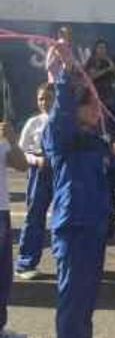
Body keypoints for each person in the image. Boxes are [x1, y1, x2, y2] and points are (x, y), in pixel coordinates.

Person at [44, 55, 115, 338]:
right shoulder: (61, 137)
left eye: (98, 105)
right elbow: (61, 113)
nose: (97, 109)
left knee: (88, 297)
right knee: (73, 298)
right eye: (90, 104)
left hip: (95, 227)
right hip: (74, 226)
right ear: (75, 108)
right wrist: (66, 75)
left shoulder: (96, 141)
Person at [14, 83, 55, 280]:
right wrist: (35, 160)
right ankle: (26, 263)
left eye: (49, 98)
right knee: (34, 216)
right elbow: (20, 152)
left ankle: (65, 259)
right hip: (39, 171)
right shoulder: (33, 122)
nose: (45, 102)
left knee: (63, 217)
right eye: (41, 98)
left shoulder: (66, 120)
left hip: (62, 171)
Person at [0, 117, 30, 337]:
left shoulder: (1, 138)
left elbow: (21, 165)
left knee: (3, 274)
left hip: (1, 211)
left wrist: (11, 139)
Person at [84, 39, 115, 116]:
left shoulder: (108, 61)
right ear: (96, 49)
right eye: (100, 48)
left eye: (104, 48)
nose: (102, 50)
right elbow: (92, 76)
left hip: (107, 97)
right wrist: (106, 70)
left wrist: (113, 84)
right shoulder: (92, 61)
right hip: (94, 98)